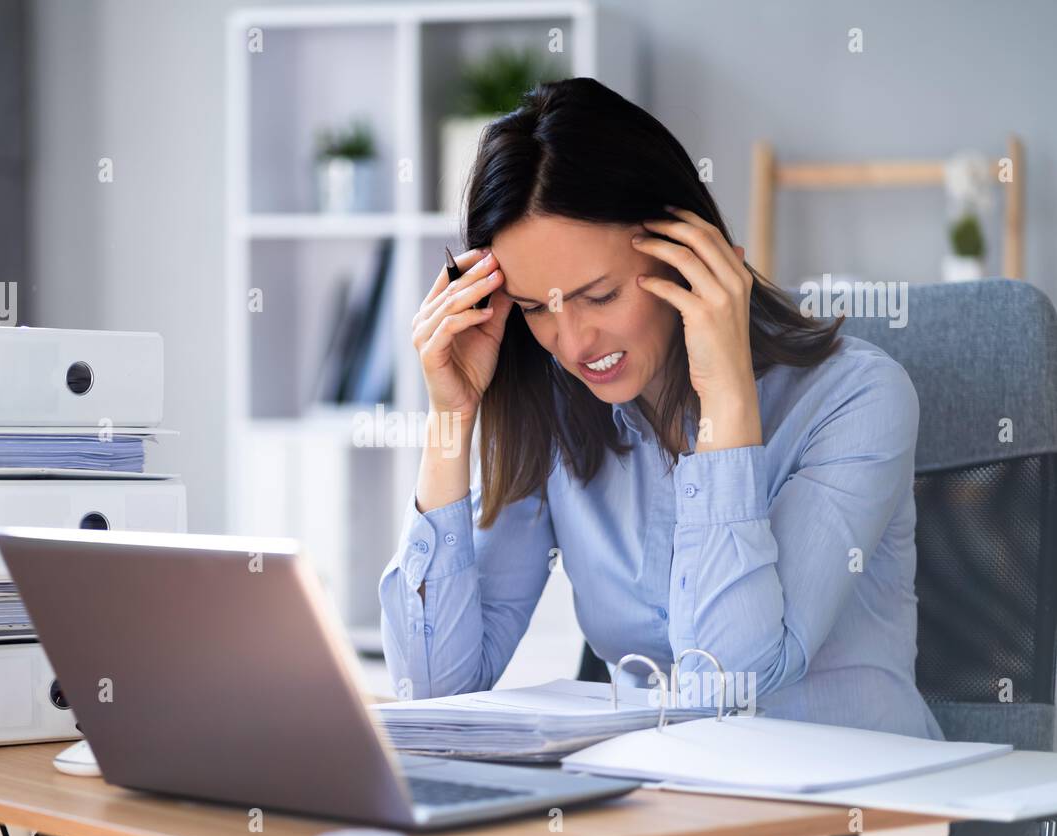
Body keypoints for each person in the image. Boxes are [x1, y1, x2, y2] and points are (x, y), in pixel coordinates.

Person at [379, 77, 943, 741]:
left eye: (600, 294)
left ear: (686, 252)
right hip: (660, 805)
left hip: (860, 813)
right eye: (535, 307)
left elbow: (729, 683)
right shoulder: (559, 410)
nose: (573, 342)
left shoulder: (857, 399)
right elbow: (436, 692)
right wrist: (451, 418)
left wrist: (726, 403)